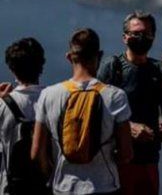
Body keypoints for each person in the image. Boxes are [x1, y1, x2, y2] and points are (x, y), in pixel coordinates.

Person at [31, 28, 133, 194]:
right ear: (99, 56)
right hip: (103, 187)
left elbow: (36, 153)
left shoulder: (48, 95)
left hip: (63, 187)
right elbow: (126, 153)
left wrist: (50, 174)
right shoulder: (116, 96)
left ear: (69, 57)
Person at [97, 12, 162, 195]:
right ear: (125, 37)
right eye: (136, 33)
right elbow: (97, 110)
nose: (142, 38)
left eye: (147, 34)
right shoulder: (113, 67)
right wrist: (129, 127)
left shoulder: (158, 69)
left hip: (150, 158)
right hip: (118, 160)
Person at [0, 38, 49, 194]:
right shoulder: (55, 99)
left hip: (12, 187)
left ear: (12, 69)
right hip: (47, 186)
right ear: (41, 65)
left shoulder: (3, 105)